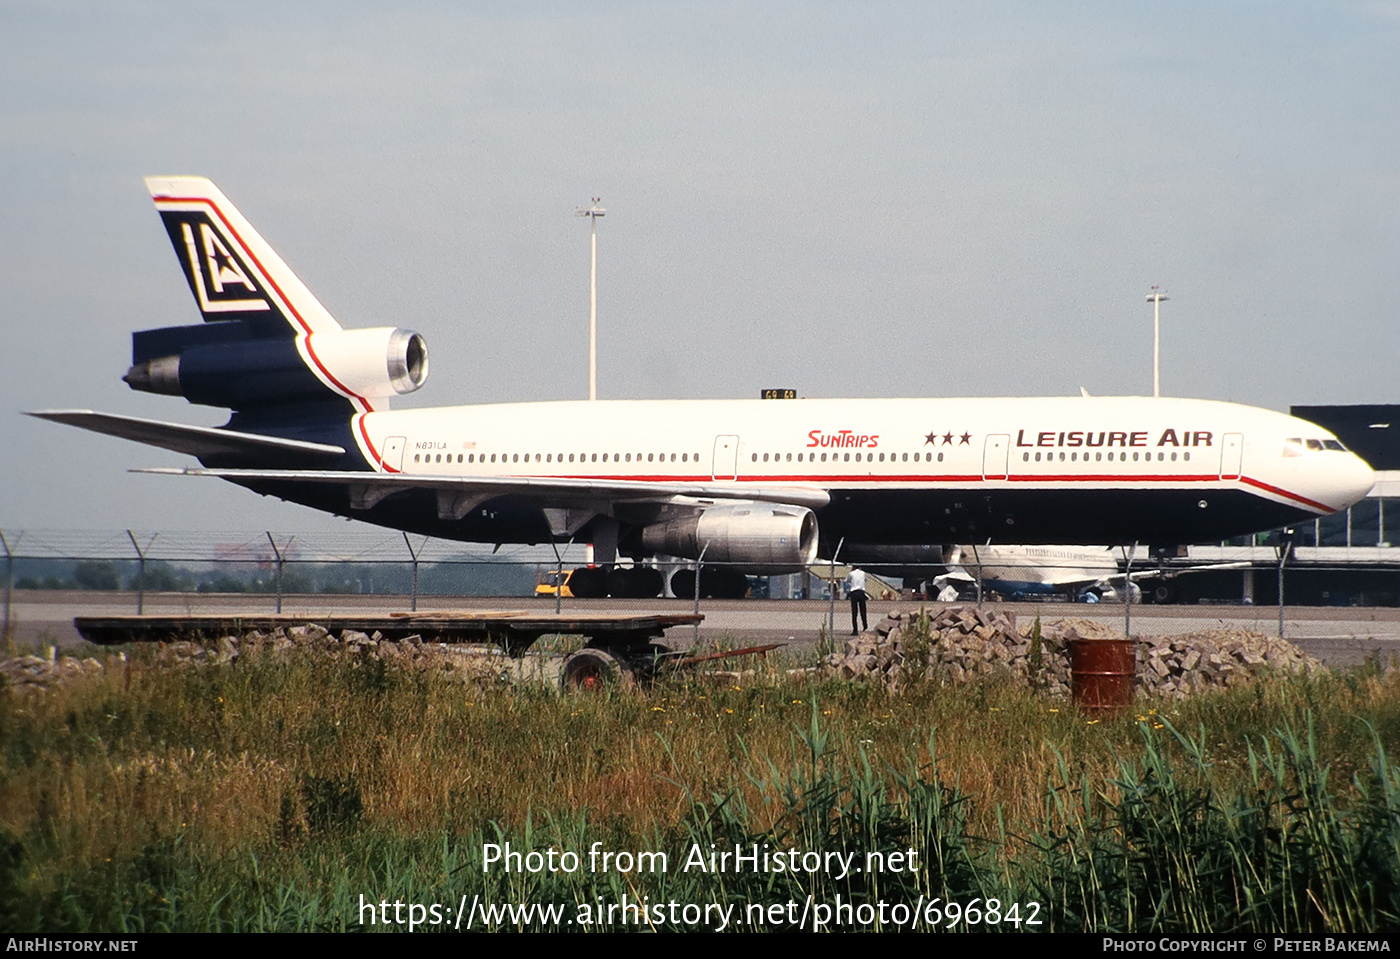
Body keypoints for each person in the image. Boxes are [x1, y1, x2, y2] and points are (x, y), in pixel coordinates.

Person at [846, 567, 869, 635]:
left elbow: (847, 580)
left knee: (854, 612)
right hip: (861, 592)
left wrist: (852, 582)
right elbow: (866, 580)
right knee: (863, 610)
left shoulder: (851, 573)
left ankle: (855, 630)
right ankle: (865, 626)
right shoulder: (863, 573)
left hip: (854, 592)